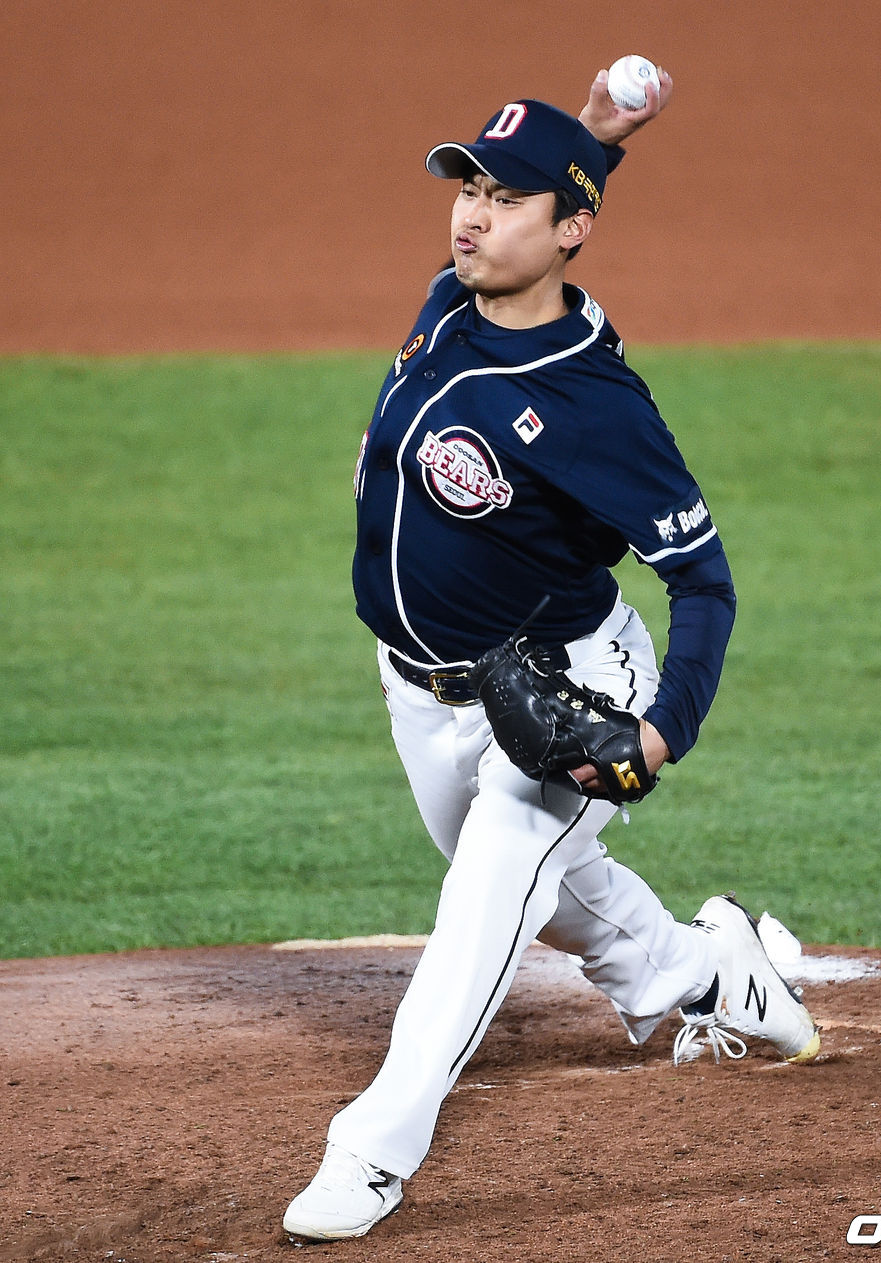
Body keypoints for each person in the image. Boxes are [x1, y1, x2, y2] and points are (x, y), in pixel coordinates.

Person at [283, 66, 819, 1242]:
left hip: (563, 684)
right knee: (558, 898)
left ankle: (370, 1153)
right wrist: (597, 139)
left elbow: (703, 579)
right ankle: (707, 973)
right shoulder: (450, 300)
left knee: (484, 906)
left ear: (569, 230)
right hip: (419, 690)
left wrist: (660, 730)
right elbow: (547, 205)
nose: (472, 216)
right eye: (468, 187)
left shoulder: (594, 408)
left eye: (507, 198)